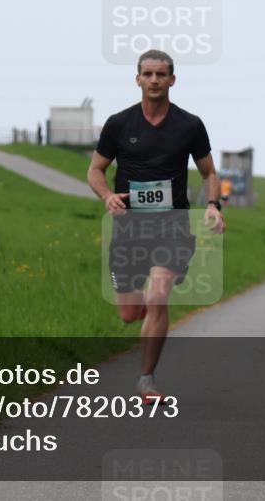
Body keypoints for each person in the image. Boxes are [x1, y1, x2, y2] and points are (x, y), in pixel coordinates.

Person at [87, 49, 226, 403]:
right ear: (137, 79)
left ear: (172, 80)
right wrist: (107, 196)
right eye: (147, 74)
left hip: (173, 226)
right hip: (129, 229)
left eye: (161, 74)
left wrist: (213, 205)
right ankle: (151, 316)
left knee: (158, 295)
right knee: (129, 313)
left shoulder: (189, 125)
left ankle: (146, 382)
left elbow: (209, 172)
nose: (154, 80)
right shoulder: (119, 124)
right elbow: (95, 169)